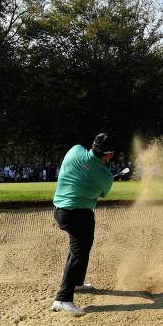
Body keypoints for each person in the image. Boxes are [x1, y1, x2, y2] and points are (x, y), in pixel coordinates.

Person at [51, 133, 116, 316]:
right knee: (78, 253)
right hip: (78, 214)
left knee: (82, 247)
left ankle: (77, 283)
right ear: (109, 154)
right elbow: (103, 193)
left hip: (60, 210)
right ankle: (63, 299)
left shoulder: (75, 149)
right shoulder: (105, 175)